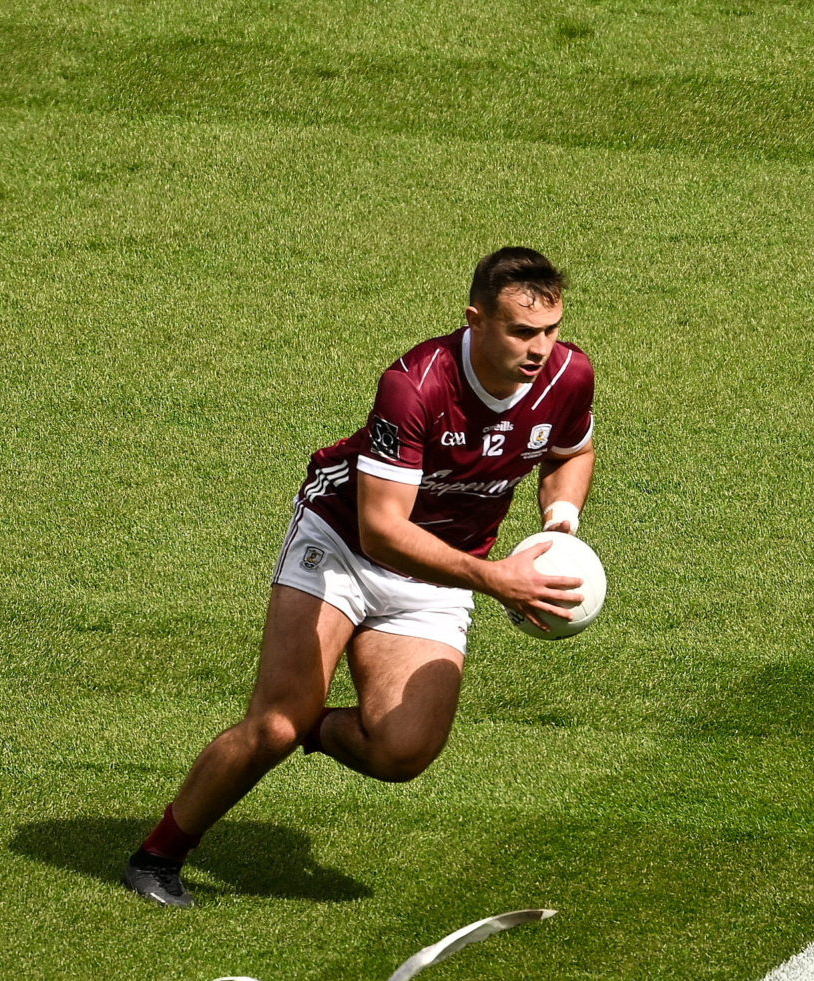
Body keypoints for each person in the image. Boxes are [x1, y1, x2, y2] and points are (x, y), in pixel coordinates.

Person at [123, 247, 597, 907]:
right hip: (342, 544)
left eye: (550, 329)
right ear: (476, 319)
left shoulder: (570, 374)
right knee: (275, 727)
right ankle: (158, 855)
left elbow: (572, 449)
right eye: (522, 331)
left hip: (440, 568)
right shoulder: (418, 384)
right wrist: (495, 580)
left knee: (401, 752)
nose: (541, 347)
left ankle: (312, 722)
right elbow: (383, 529)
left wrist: (560, 525)